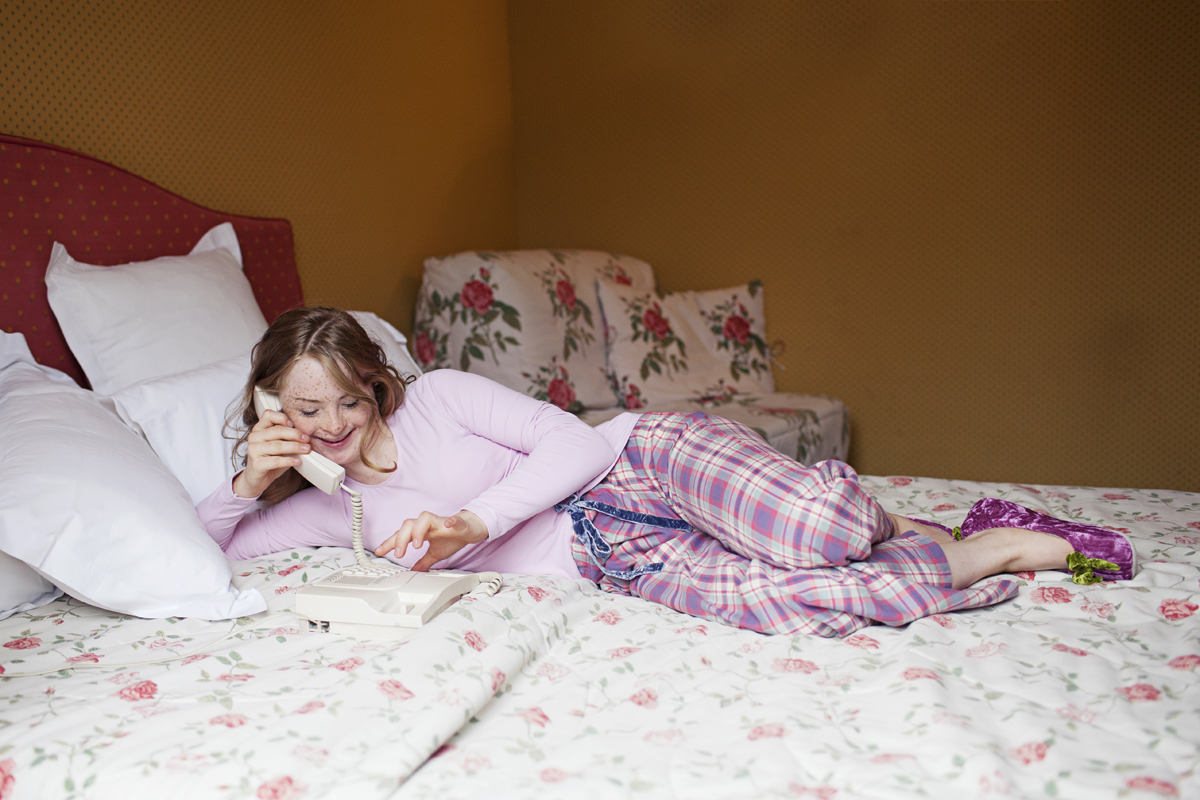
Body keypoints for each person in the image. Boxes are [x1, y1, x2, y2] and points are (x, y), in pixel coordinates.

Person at [198, 307, 1137, 638]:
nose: (329, 428)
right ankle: (981, 550)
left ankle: (882, 521)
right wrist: (248, 481)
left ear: (374, 382)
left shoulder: (439, 395)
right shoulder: (329, 511)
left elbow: (572, 443)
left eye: (345, 402)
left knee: (820, 534)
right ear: (274, 409)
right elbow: (206, 558)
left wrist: (471, 527)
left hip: (638, 467)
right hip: (612, 560)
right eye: (302, 411)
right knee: (794, 603)